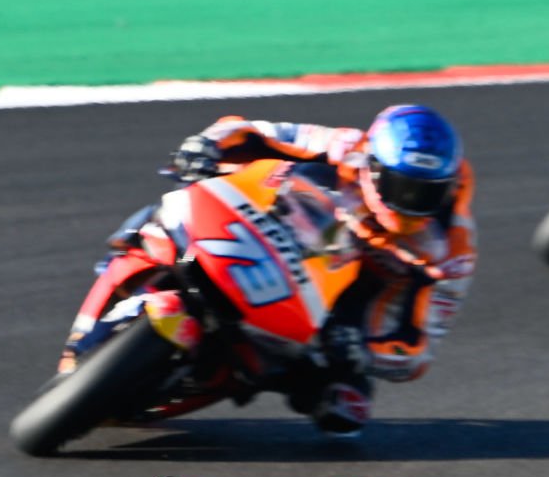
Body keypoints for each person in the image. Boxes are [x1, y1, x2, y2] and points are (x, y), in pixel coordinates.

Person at [84, 103, 476, 436]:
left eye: (428, 192)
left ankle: (230, 370)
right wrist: (205, 147)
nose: (413, 203)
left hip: (340, 310)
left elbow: (418, 347)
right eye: (404, 187)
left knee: (345, 406)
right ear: (374, 166)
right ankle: (132, 259)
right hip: (272, 231)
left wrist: (367, 348)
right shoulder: (345, 146)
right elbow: (252, 132)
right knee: (172, 205)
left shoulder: (452, 249)